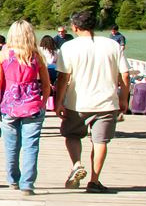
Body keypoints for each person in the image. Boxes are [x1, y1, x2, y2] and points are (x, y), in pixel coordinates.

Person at [55, 11, 129, 193]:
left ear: (75, 27)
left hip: (77, 102)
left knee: (72, 136)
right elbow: (125, 75)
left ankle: (77, 164)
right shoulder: (112, 45)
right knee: (100, 141)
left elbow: (63, 78)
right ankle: (95, 181)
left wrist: (58, 102)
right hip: (107, 102)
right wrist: (124, 98)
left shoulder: (69, 47)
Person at [0, 20, 52, 195]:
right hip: (32, 104)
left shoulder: (1, 56)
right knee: (31, 145)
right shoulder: (37, 56)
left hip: (9, 104)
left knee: (11, 145)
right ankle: (27, 184)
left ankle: (12, 180)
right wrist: (43, 102)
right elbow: (47, 83)